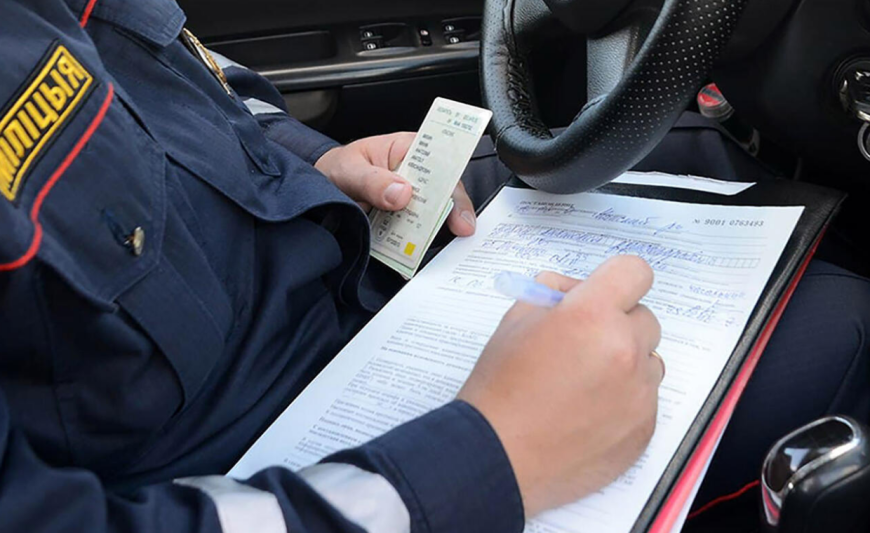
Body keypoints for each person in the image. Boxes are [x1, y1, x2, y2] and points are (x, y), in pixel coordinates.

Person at [0, 2, 867, 533]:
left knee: (715, 169)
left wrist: (304, 163)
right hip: (259, 453)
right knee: (845, 336)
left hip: (328, 268)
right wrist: (494, 455)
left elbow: (188, 74)